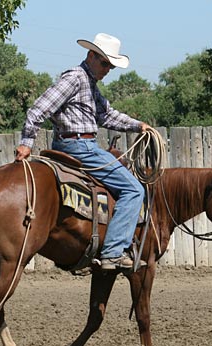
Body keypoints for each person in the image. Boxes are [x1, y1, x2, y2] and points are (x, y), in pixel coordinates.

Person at [16, 33, 151, 271]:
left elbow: (107, 115)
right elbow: (39, 109)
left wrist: (138, 126)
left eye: (111, 65)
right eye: (105, 63)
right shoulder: (75, 78)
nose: (108, 69)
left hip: (78, 144)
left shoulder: (90, 85)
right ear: (91, 55)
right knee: (133, 189)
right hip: (81, 147)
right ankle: (113, 252)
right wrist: (27, 142)